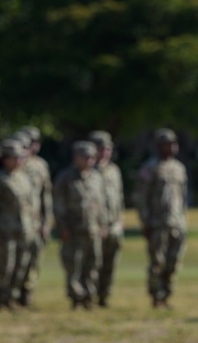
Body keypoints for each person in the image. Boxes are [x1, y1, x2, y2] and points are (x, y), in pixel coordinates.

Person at [133, 129, 188, 308]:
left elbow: (183, 197)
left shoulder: (179, 168)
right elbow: (141, 198)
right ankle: (156, 295)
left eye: (174, 143)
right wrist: (145, 221)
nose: (172, 147)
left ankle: (167, 294)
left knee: (173, 262)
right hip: (157, 223)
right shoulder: (150, 168)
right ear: (158, 146)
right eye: (168, 144)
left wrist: (183, 219)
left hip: (177, 223)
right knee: (157, 262)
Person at [53, 140, 105, 309]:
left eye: (92, 157)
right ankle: (76, 298)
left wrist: (103, 224)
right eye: (85, 157)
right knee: (73, 265)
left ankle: (89, 297)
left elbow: (101, 204)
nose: (89, 160)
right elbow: (58, 205)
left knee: (92, 264)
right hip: (73, 230)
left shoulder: (96, 177)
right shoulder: (65, 178)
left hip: (93, 229)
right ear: (76, 157)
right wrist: (63, 227)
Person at [13, 126, 52, 307]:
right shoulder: (10, 167)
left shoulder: (40, 166)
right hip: (13, 224)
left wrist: (46, 222)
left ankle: (26, 294)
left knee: (33, 261)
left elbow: (45, 196)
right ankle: (10, 294)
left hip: (36, 223)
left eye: (32, 144)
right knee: (12, 261)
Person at [0, 137, 36, 311]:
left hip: (24, 229)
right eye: (14, 157)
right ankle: (2, 298)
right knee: (5, 266)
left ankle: (12, 297)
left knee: (21, 265)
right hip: (5, 231)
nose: (19, 161)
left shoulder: (24, 178)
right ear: (5, 158)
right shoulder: (1, 179)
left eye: (20, 157)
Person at [89, 132, 124, 307]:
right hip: (95, 226)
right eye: (101, 148)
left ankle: (105, 296)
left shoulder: (114, 171)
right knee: (94, 263)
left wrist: (120, 220)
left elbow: (119, 198)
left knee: (110, 263)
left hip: (114, 225)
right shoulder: (88, 171)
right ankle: (90, 296)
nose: (105, 152)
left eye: (108, 149)